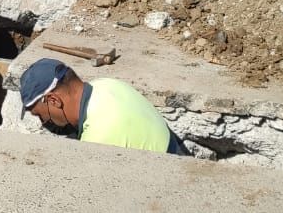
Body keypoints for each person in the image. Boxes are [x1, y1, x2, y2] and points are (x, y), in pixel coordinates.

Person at [17, 58, 188, 155]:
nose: (42, 122)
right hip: (176, 156)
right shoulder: (106, 84)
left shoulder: (98, 141)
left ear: (53, 100)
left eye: (41, 116)